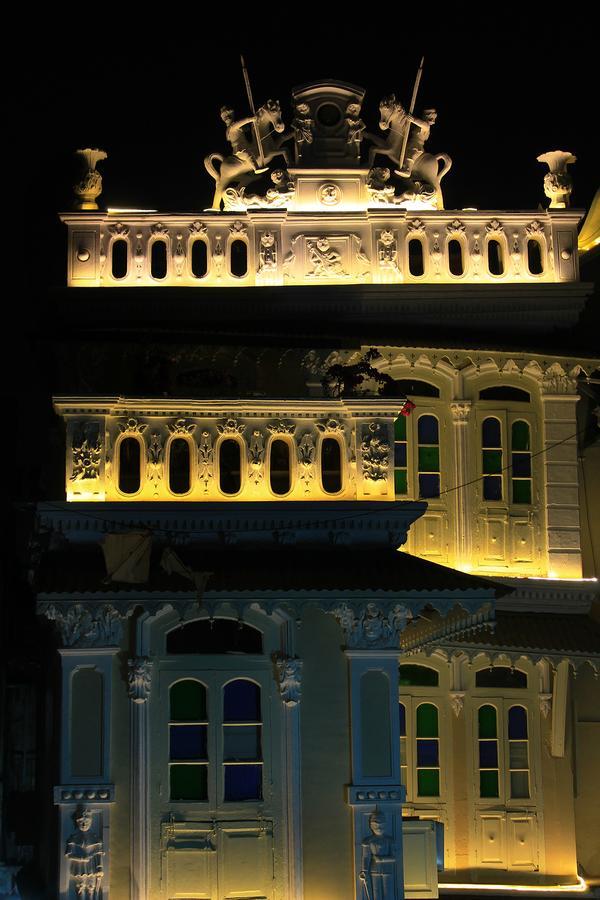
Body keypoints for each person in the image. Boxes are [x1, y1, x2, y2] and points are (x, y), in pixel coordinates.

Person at [360, 811, 396, 900]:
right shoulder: (368, 841)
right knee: (377, 894)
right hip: (374, 869)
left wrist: (381, 859)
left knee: (388, 893)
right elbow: (366, 857)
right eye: (376, 825)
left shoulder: (389, 840)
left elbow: (393, 857)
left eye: (381, 824)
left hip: (387, 869)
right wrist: (364, 871)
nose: (379, 827)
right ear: (371, 826)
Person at [220, 106, 264, 174]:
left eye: (229, 116)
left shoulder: (231, 129)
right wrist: (251, 119)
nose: (228, 117)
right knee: (248, 156)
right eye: (227, 116)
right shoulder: (233, 126)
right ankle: (256, 168)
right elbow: (244, 121)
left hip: (242, 145)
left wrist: (251, 124)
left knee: (250, 153)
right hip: (240, 149)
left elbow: (245, 129)